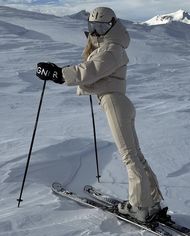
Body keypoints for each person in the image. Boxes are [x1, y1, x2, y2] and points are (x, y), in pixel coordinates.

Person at [36, 7, 164, 222]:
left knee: (129, 156)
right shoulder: (109, 47)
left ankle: (139, 207)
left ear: (112, 26)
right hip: (118, 101)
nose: (95, 32)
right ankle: (151, 201)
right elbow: (92, 68)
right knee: (135, 154)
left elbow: (90, 71)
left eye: (101, 27)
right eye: (92, 27)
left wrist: (58, 74)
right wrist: (62, 71)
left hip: (114, 102)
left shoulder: (111, 49)